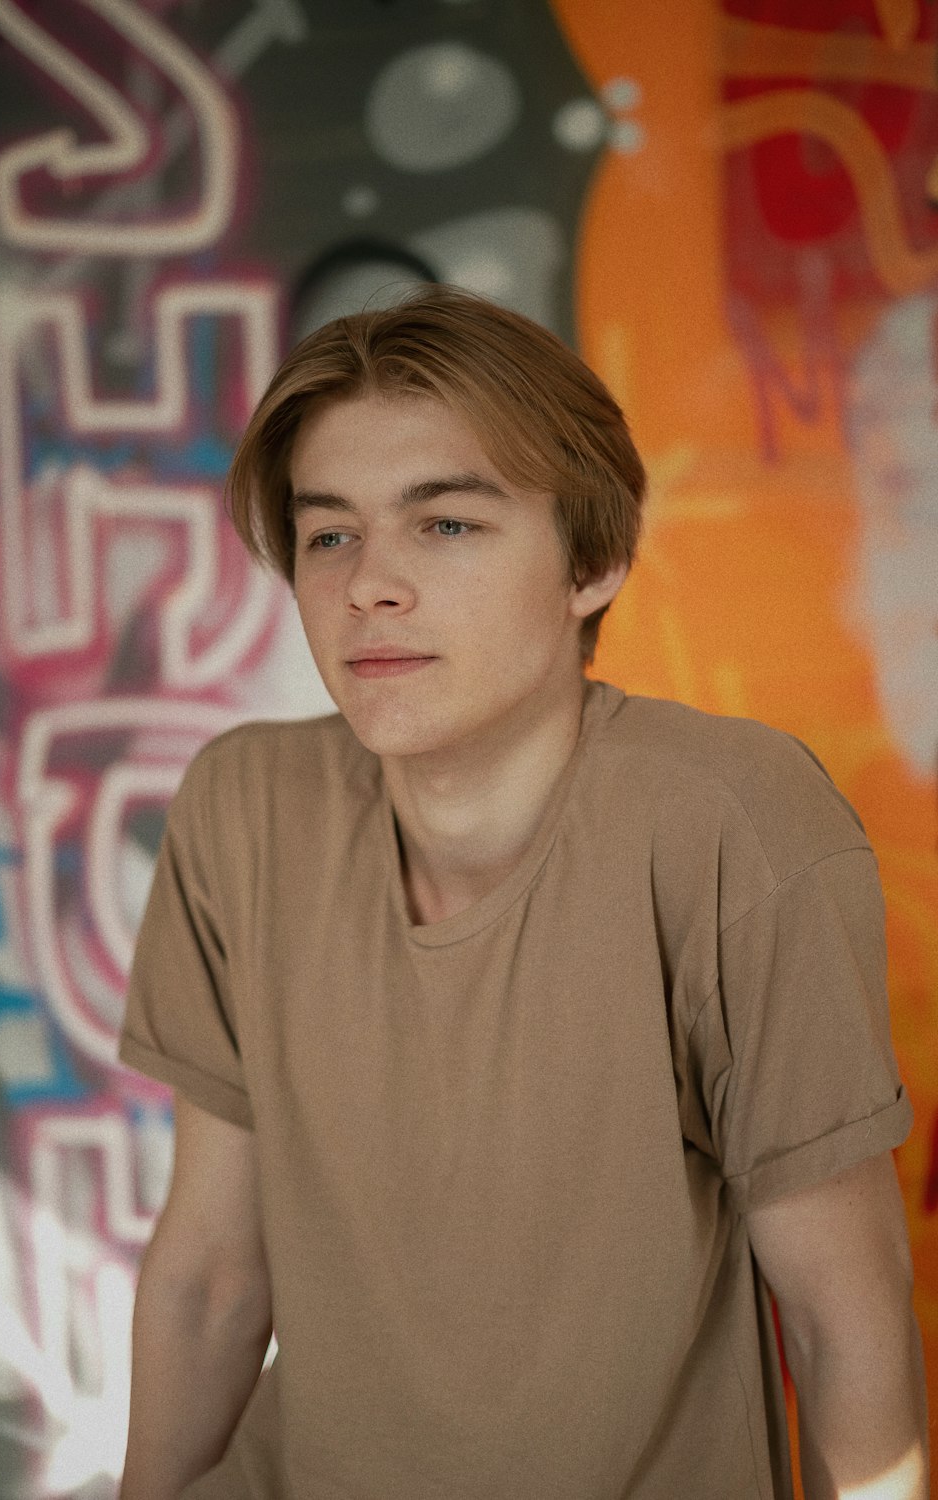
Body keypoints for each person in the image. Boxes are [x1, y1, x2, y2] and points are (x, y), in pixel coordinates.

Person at [117, 285, 928, 1500]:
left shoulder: (729, 825)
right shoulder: (245, 809)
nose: (368, 586)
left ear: (591, 561)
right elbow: (210, 1280)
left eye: (444, 526)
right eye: (329, 533)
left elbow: (841, 1317)